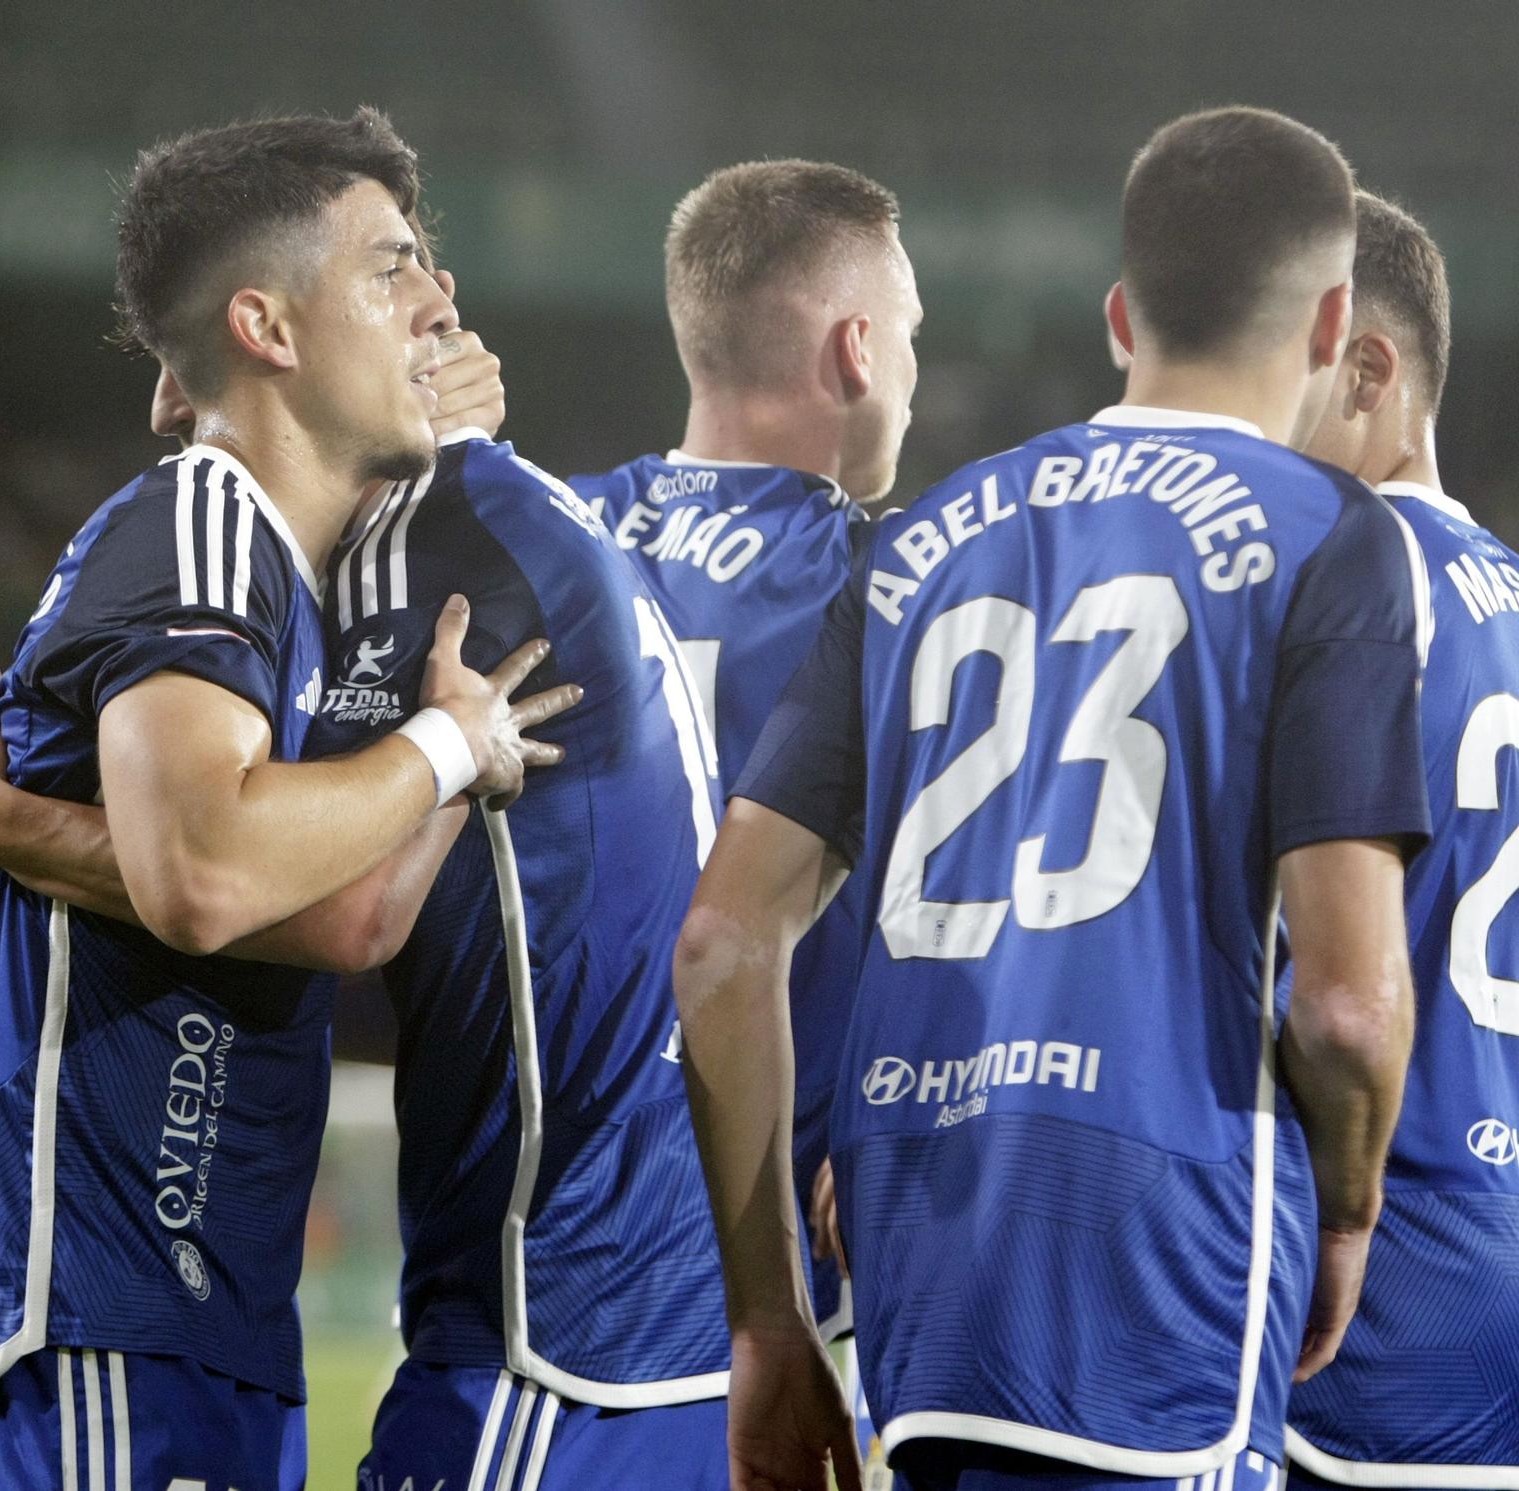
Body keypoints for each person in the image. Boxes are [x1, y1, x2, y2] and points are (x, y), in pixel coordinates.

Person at [674, 105, 1429, 1491]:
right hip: (1164, 1246)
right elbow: (1349, 1005)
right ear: (1333, 325)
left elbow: (723, 941)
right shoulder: (1334, 538)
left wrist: (767, 1318)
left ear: (1119, 312)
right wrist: (1345, 1217)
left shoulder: (918, 543)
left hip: (912, 1235)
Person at [0, 110, 576, 1491]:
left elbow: (350, 912)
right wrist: (443, 749)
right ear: (267, 325)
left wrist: (27, 831)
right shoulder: (201, 516)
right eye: (391, 267)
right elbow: (204, 871)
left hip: (202, 1320)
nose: (441, 303)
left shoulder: (296, 586)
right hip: (87, 1317)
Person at [569, 154, 918, 1367]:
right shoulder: (902, 587)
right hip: (780, 1252)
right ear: (858, 349)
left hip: (545, 1235)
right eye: (911, 336)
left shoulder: (541, 545)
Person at [1285, 191, 1519, 1490]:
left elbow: (1318, 992)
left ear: (1368, 368)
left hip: (1367, 1292)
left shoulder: (1340, 609)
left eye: (1279, 372)